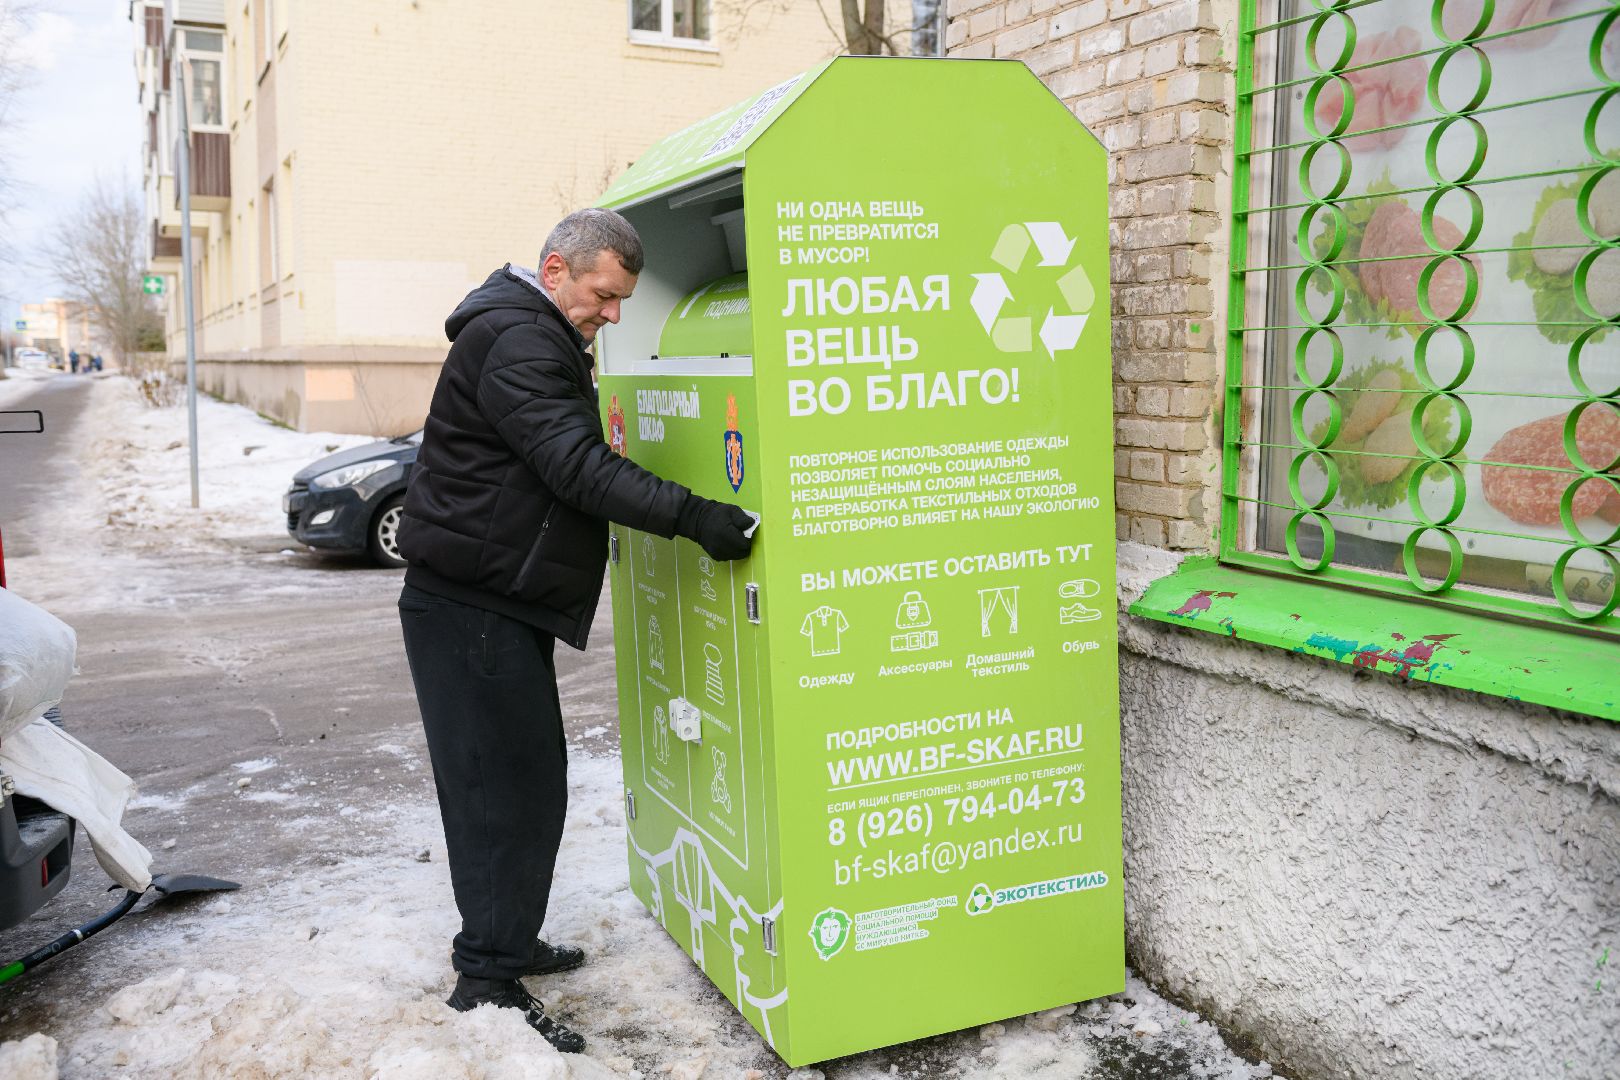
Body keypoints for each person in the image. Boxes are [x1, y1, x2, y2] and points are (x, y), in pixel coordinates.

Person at [396, 209, 755, 1053]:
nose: (613, 313)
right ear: (557, 269)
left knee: (526, 785)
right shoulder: (519, 341)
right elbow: (574, 466)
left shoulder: (527, 330)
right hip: (471, 608)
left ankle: (508, 944)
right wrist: (699, 517)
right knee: (500, 798)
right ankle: (486, 979)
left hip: (489, 602)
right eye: (604, 295)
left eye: (625, 299)